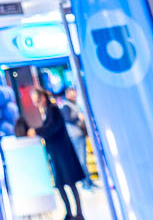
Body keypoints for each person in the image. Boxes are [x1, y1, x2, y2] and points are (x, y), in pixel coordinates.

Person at [35, 86, 88, 220]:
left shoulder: (53, 109)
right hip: (57, 153)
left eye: (37, 101)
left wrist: (37, 131)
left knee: (69, 182)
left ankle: (78, 213)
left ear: (42, 98)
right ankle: (70, 212)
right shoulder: (49, 110)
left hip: (62, 152)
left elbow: (52, 128)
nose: (36, 104)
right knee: (62, 184)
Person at [60, 84, 90, 178]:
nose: (74, 96)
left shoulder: (74, 104)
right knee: (81, 160)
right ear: (67, 94)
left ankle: (87, 180)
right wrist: (78, 117)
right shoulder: (66, 106)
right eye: (72, 94)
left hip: (79, 134)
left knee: (83, 159)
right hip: (75, 135)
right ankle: (86, 181)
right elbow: (67, 118)